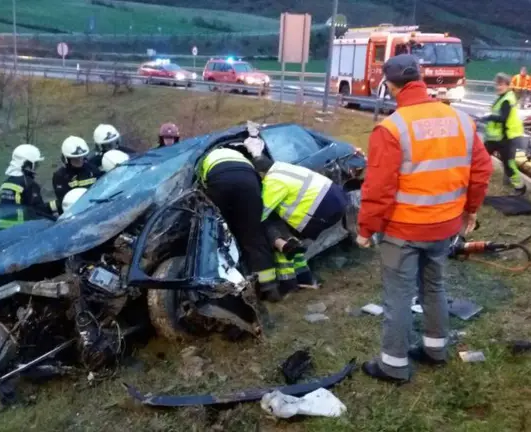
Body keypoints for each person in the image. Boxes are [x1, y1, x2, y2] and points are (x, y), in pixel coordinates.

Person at [356, 54, 493, 383]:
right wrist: (470, 210)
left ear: (390, 86)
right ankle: (435, 350)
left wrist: (365, 228)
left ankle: (393, 365)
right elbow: (482, 169)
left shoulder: (391, 128)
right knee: (434, 286)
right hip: (445, 226)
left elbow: (379, 187)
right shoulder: (460, 119)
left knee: (399, 295)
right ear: (421, 79)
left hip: (403, 229)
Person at [198, 147, 282, 301]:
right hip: (248, 182)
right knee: (254, 235)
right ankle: (270, 288)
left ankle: (229, 288)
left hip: (219, 181)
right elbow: (259, 183)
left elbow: (202, 186)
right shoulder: (241, 157)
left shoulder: (204, 159)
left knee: (218, 234)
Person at [255, 157, 348, 289]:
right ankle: (305, 279)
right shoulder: (284, 166)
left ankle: (288, 285)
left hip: (318, 210)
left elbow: (261, 213)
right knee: (296, 244)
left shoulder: (273, 181)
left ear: (261, 173)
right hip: (337, 199)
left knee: (279, 238)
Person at [482, 73, 527, 195]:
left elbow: (503, 118)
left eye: (501, 85)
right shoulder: (503, 97)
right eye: (497, 84)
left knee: (508, 165)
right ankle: (478, 184)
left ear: (507, 85)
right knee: (481, 160)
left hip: (505, 138)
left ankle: (520, 187)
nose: (498, 87)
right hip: (495, 138)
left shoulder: (507, 99)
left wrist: (488, 117)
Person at [0, 144, 58, 223]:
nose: (36, 168)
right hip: (22, 229)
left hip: (4, 231)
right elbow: (38, 211)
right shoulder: (29, 184)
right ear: (27, 165)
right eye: (35, 164)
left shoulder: (5, 184)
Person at [52, 136, 101, 213]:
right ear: (66, 158)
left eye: (81, 157)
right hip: (73, 212)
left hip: (95, 208)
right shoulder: (60, 176)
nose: (79, 160)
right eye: (75, 158)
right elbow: (64, 200)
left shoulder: (93, 170)